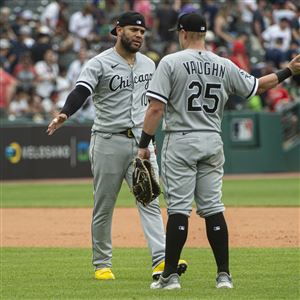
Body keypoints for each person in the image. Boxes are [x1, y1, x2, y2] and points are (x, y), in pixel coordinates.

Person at [137, 13, 300, 290]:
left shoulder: (170, 62)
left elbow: (155, 108)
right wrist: (289, 71)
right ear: (204, 33)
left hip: (181, 139)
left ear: (182, 32)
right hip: (212, 139)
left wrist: (143, 145)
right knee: (213, 208)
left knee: (178, 209)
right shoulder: (223, 64)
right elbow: (258, 86)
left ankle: (169, 277)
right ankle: (224, 276)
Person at [47, 11, 187, 281]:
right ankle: (102, 264)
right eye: (134, 30)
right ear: (118, 30)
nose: (139, 35)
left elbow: (157, 103)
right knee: (104, 205)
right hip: (108, 141)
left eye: (143, 32)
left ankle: (160, 260)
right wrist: (66, 112)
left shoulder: (149, 64)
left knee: (149, 200)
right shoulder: (99, 63)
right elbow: (81, 91)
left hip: (141, 143)